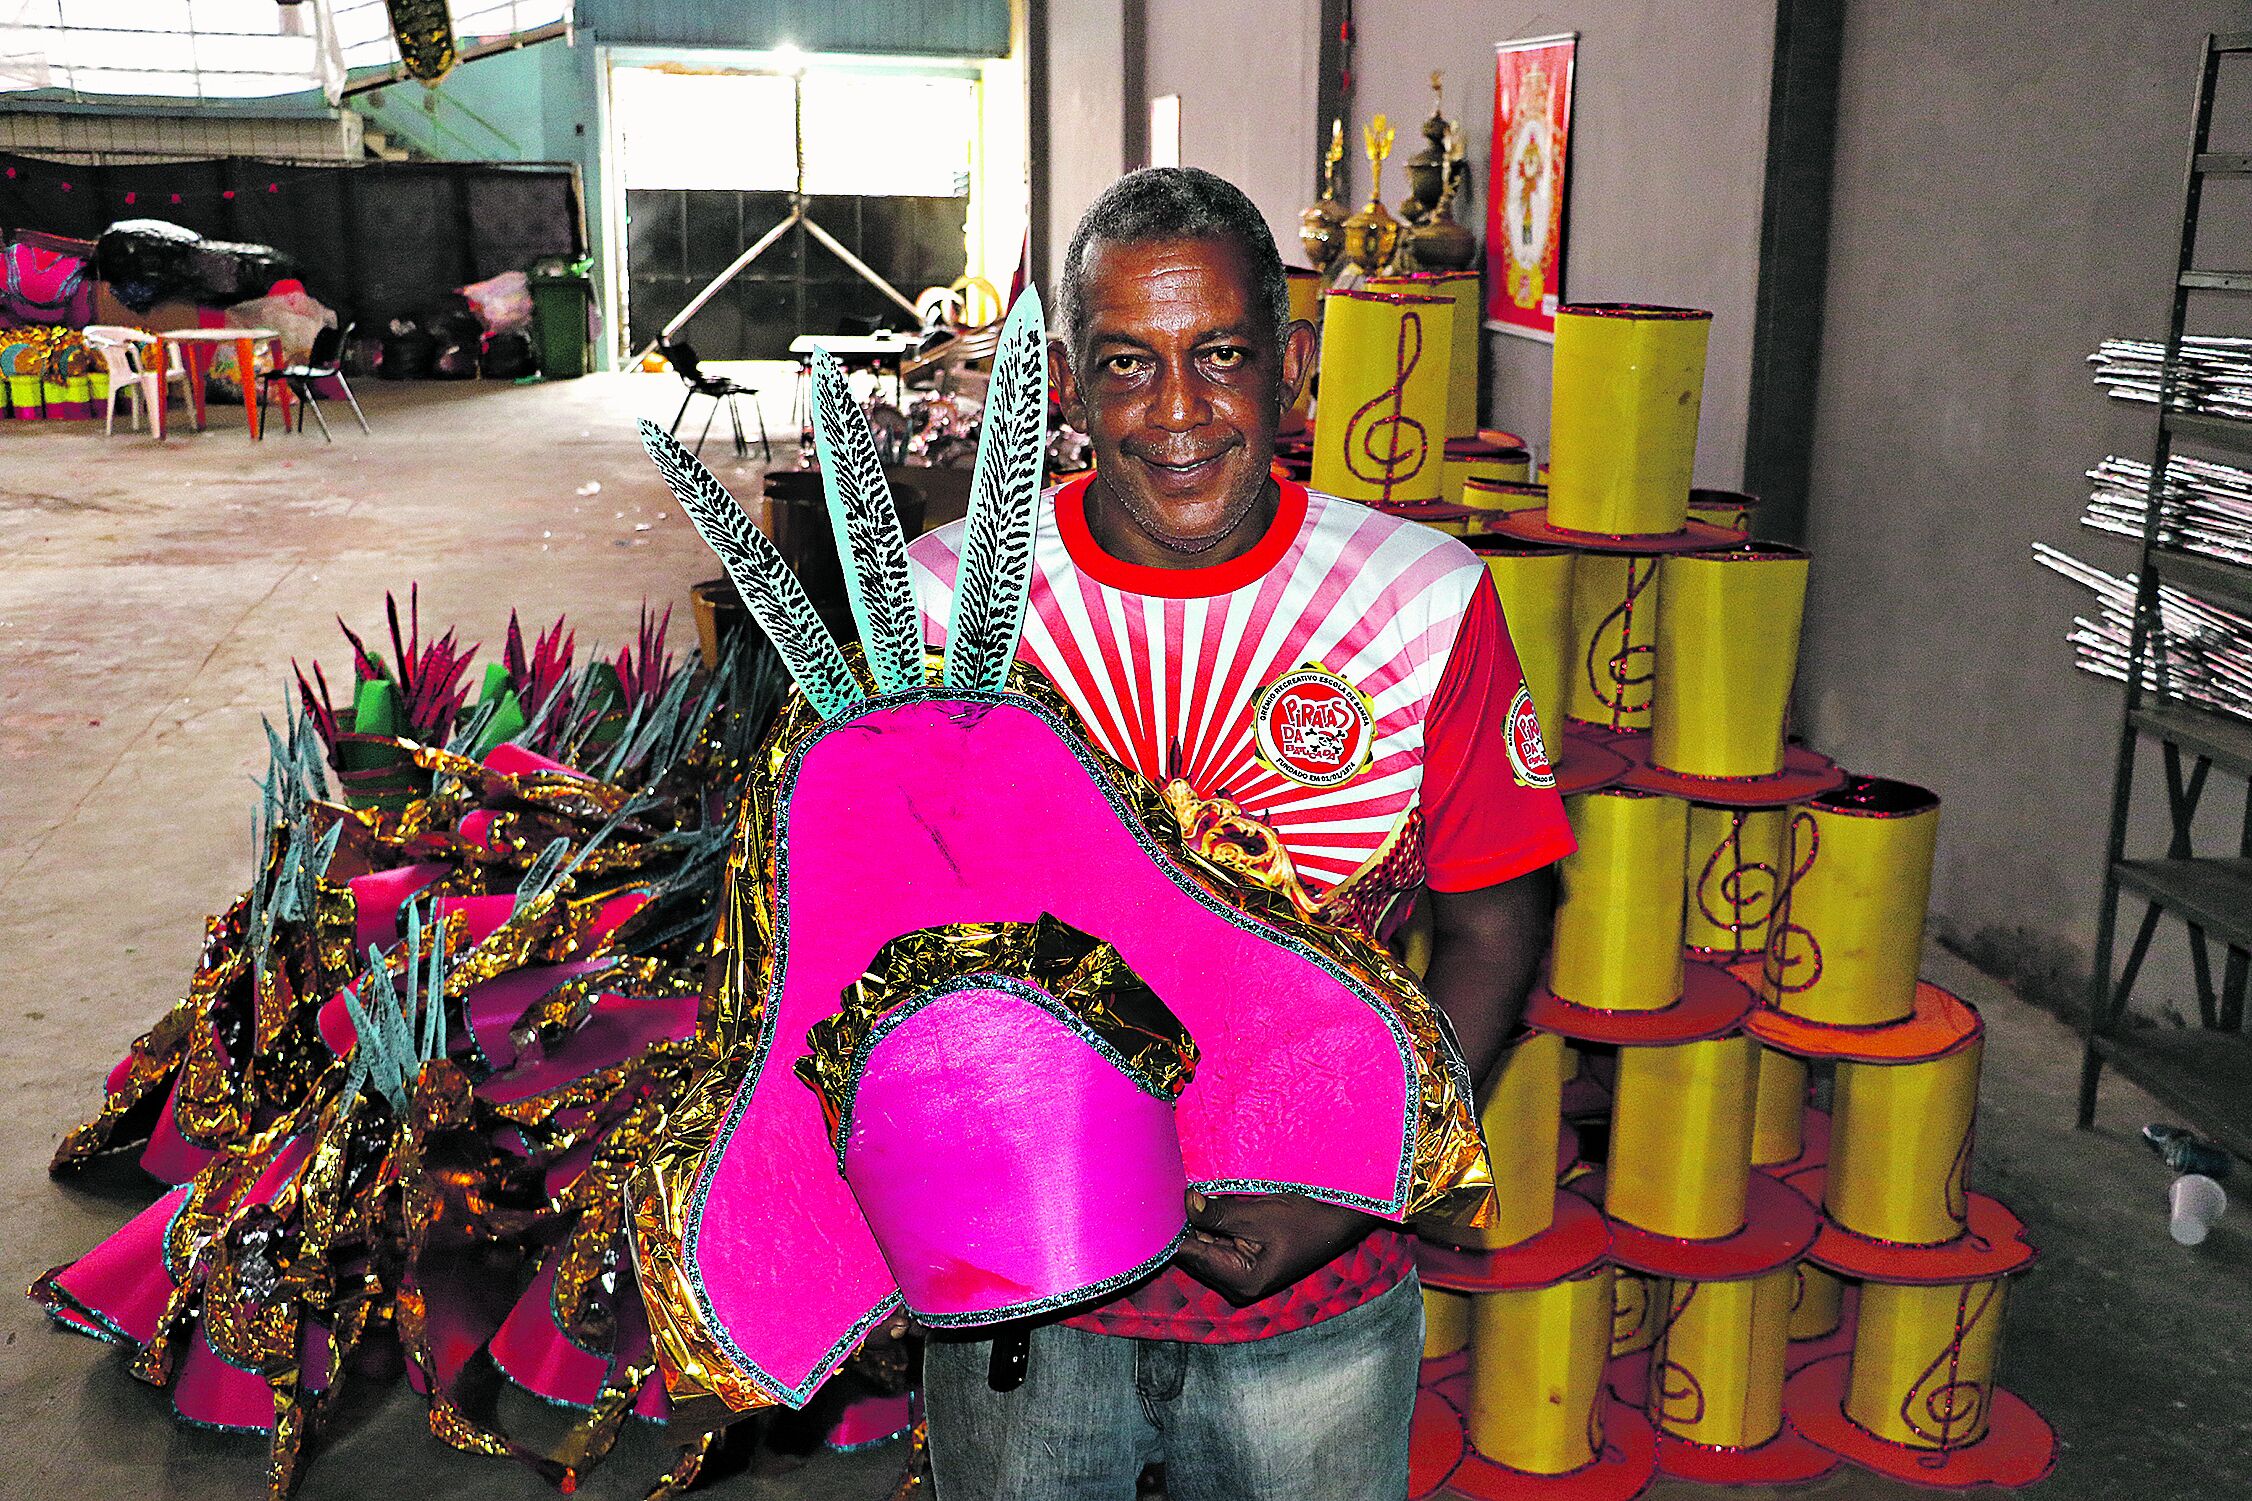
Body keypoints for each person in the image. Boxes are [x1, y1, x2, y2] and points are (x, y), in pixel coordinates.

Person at [905, 166, 1574, 1501]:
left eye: (1218, 355)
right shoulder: (941, 604)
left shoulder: (1423, 600)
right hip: (1022, 1310)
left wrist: (1351, 1186)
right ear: (1068, 382)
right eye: (1126, 363)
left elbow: (1500, 924)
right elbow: (882, 949)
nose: (1177, 410)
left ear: (1289, 365)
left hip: (1318, 1319)